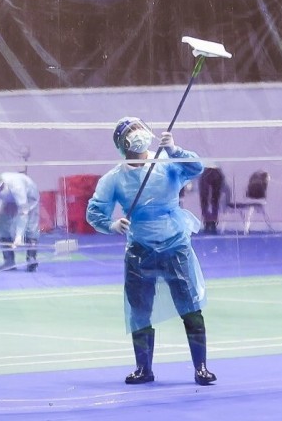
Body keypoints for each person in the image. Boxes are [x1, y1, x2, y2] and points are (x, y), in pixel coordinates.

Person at [85, 116, 216, 386]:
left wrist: (175, 150)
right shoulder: (114, 179)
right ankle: (144, 368)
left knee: (190, 307)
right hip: (139, 249)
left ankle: (201, 368)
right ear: (121, 144)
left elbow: (196, 167)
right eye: (128, 132)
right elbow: (95, 211)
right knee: (139, 311)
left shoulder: (167, 163)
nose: (136, 135)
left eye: (137, 128)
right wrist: (112, 225)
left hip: (175, 244)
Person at [0, 172, 40, 272]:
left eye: (0, 189)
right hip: (8, 200)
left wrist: (19, 236)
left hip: (29, 197)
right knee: (3, 225)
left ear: (4, 184)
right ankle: (9, 261)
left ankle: (31, 259)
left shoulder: (17, 186)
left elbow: (23, 212)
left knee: (30, 225)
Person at [197, 165, 226, 234]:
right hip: (208, 169)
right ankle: (209, 221)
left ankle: (211, 221)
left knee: (214, 199)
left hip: (215, 169)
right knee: (206, 198)